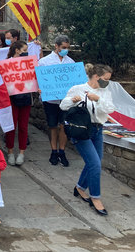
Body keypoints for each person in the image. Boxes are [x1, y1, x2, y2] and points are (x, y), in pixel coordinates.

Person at [60, 64, 115, 216]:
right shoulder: (77, 88)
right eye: (105, 79)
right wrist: (73, 100)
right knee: (95, 164)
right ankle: (95, 198)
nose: (107, 82)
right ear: (96, 77)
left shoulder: (105, 92)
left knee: (94, 162)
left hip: (97, 130)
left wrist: (98, 99)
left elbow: (110, 109)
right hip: (81, 130)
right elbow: (63, 106)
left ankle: (79, 188)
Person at [38, 35, 75, 166]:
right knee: (52, 126)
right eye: (63, 47)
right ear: (56, 46)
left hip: (66, 101)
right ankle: (54, 151)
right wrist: (40, 88)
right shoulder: (44, 61)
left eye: (67, 48)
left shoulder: (70, 62)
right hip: (51, 100)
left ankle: (62, 151)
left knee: (63, 126)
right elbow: (39, 80)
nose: (66, 50)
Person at [5, 41, 32, 165]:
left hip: (25, 97)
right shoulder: (6, 63)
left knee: (23, 126)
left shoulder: (28, 63)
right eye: (24, 49)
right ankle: (10, 151)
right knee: (11, 126)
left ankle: (21, 152)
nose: (26, 52)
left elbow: (33, 78)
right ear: (17, 50)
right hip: (11, 99)